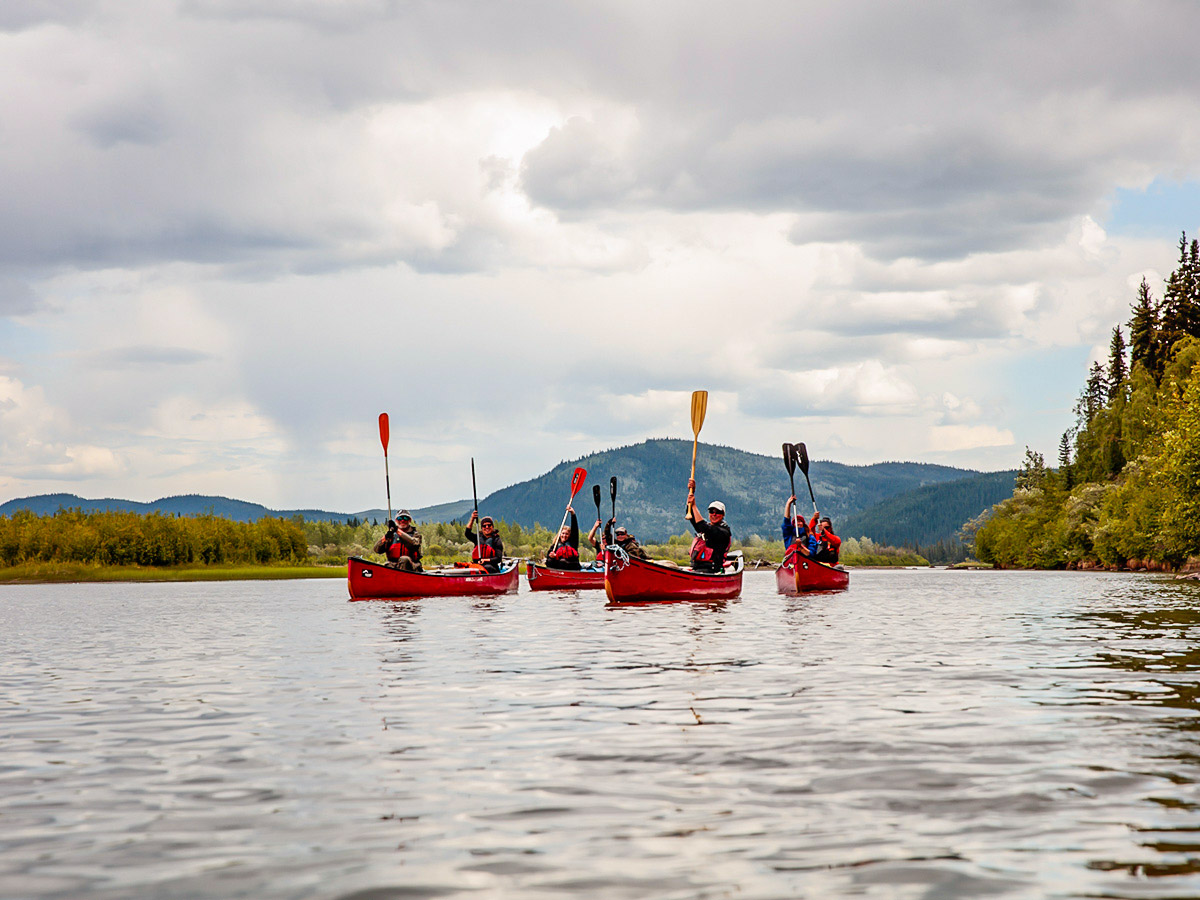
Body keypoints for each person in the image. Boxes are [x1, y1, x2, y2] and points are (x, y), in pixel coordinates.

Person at [686, 478, 732, 573]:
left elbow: (704, 527)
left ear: (723, 515)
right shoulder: (706, 528)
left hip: (713, 570)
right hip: (697, 569)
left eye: (718, 512)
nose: (714, 514)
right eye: (711, 512)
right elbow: (691, 516)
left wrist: (694, 506)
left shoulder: (724, 532)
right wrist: (691, 496)